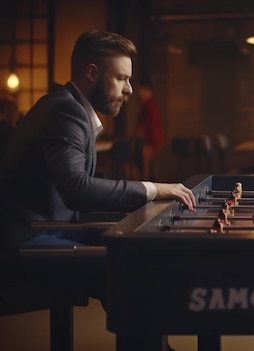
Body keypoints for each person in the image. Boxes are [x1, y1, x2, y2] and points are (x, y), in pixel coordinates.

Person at [0, 30, 195, 261]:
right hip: (26, 237)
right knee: (132, 260)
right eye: (121, 78)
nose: (129, 89)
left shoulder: (68, 105)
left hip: (53, 225)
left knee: (137, 241)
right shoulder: (65, 111)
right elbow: (76, 189)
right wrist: (153, 189)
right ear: (92, 73)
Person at [133, 78, 165, 180]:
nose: (138, 93)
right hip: (150, 141)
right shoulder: (148, 104)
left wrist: (152, 143)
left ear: (145, 89)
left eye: (139, 89)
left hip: (150, 142)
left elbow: (152, 125)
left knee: (147, 170)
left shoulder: (150, 105)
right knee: (151, 169)